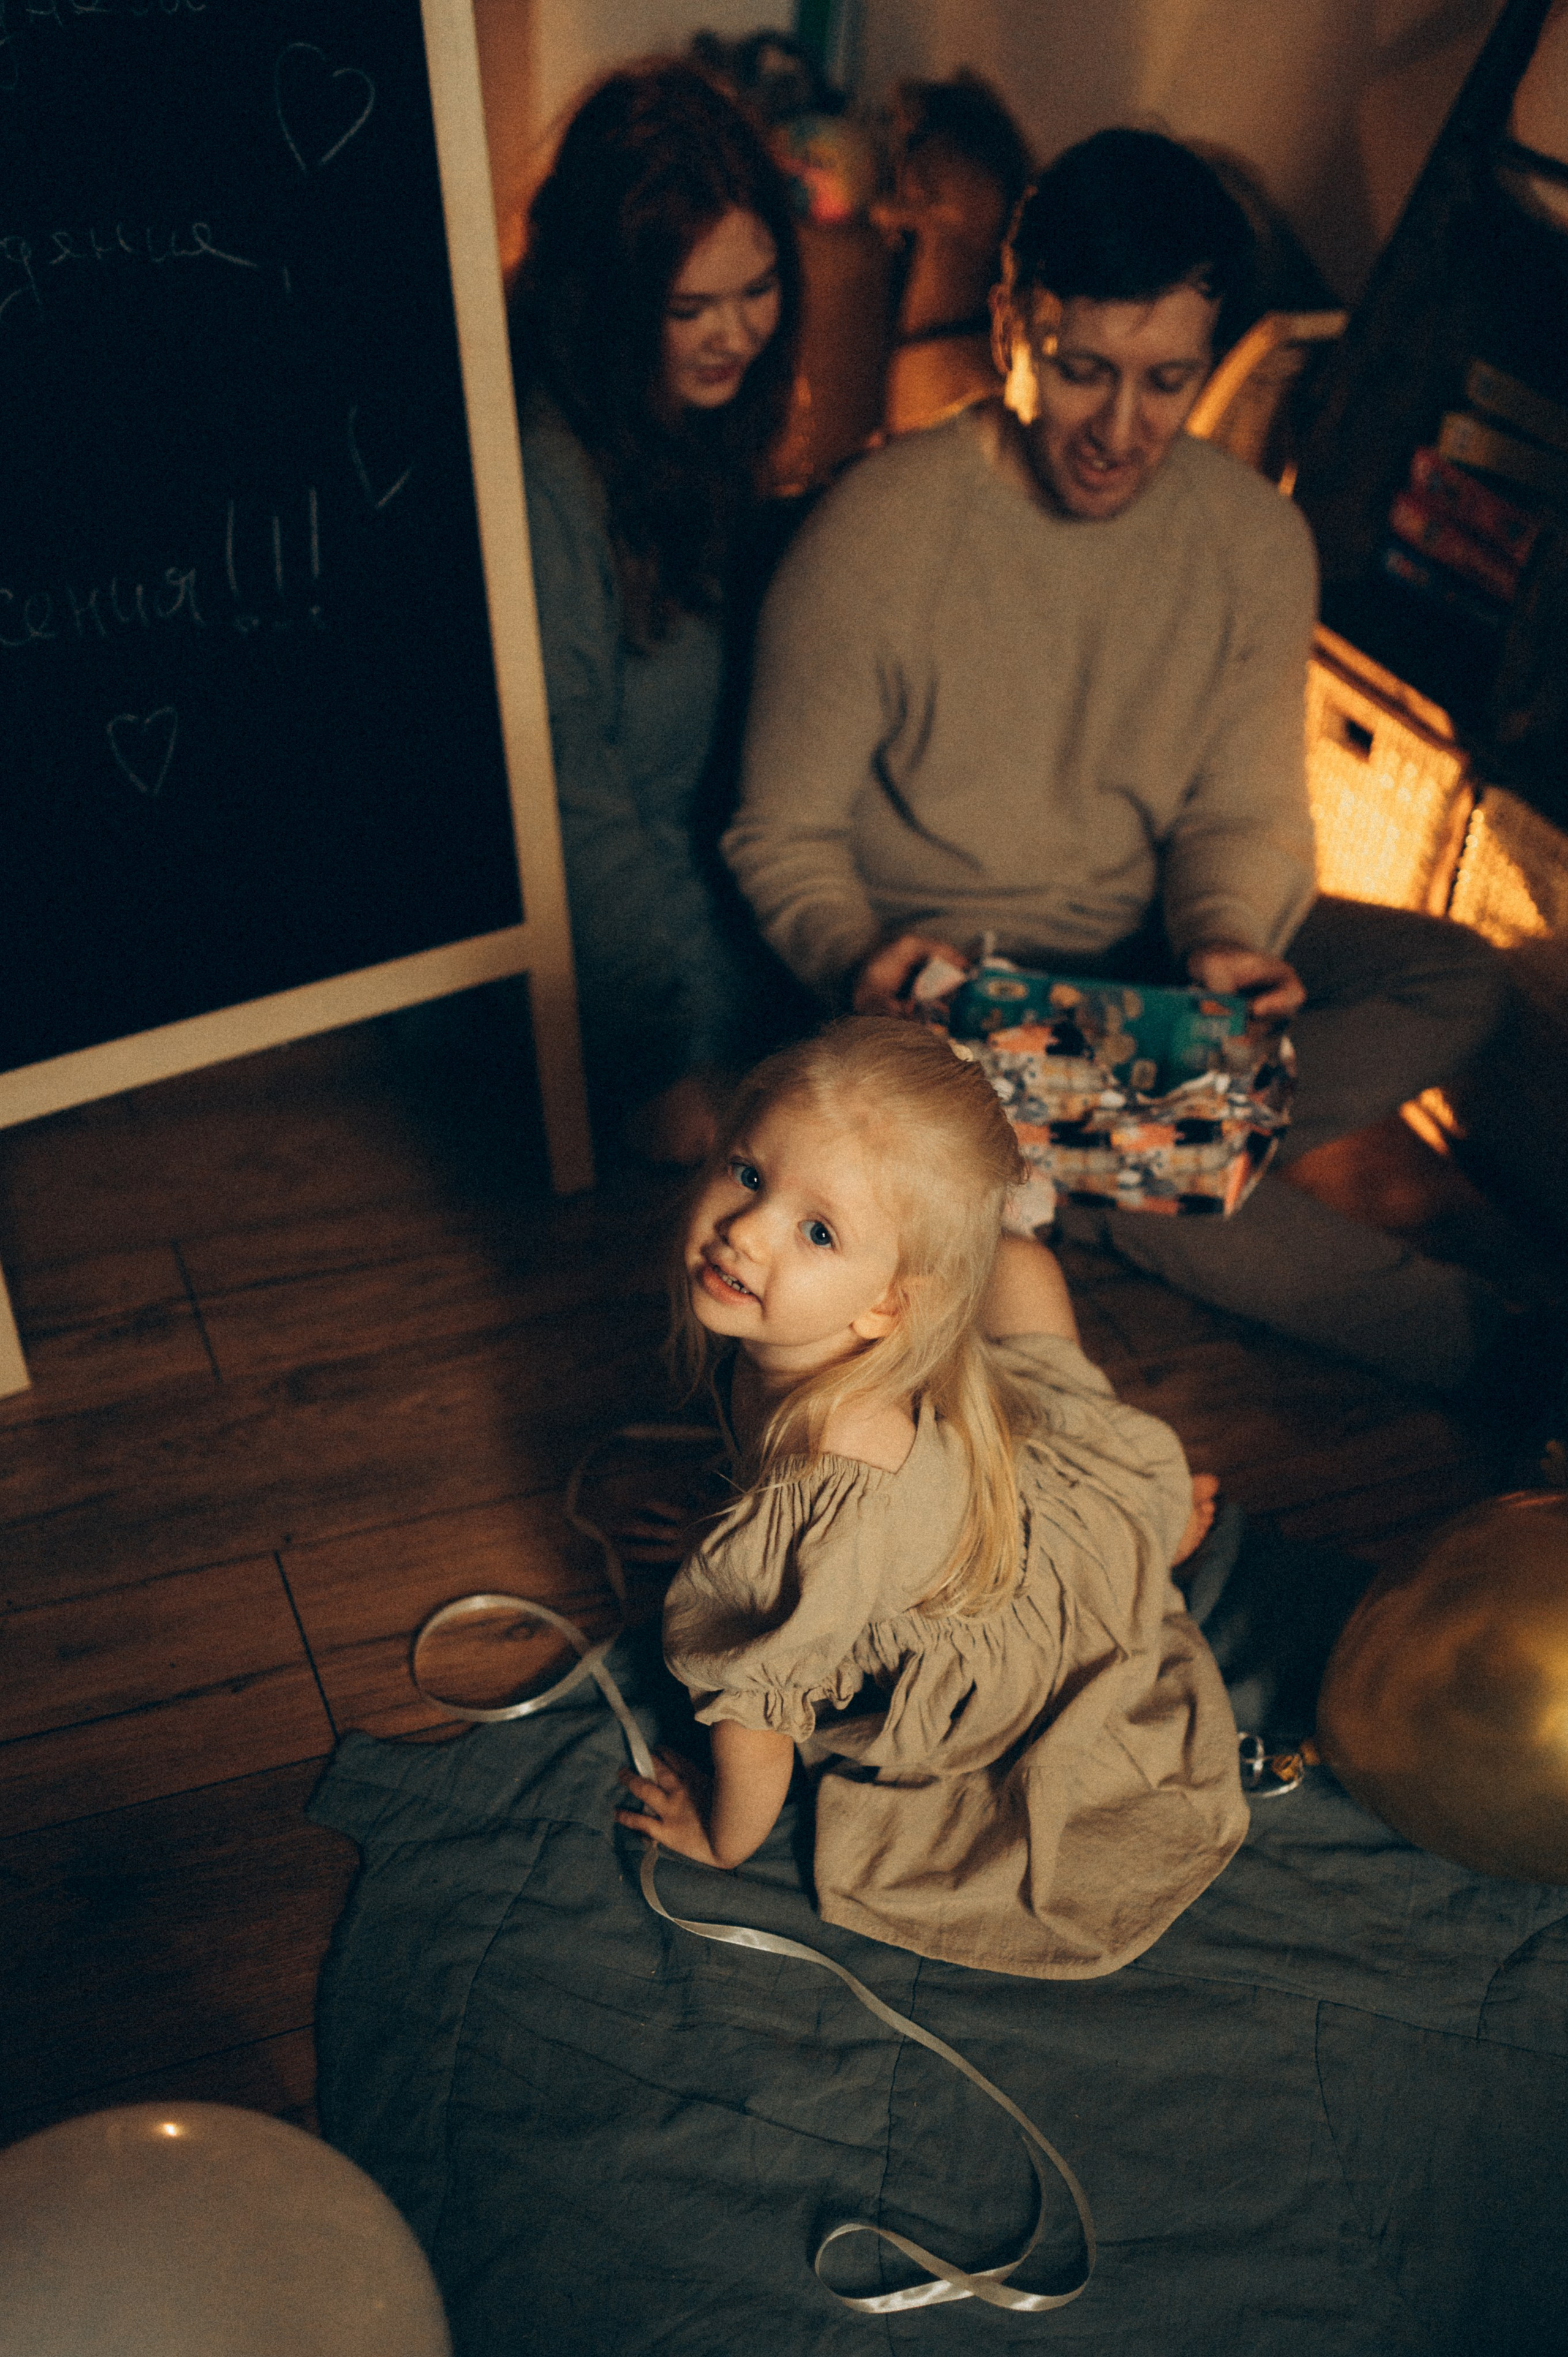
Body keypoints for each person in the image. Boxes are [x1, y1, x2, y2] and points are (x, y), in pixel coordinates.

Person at [721, 127, 1510, 1392]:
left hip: (1151, 981)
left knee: (1457, 980)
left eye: (1166, 382)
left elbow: (1243, 809)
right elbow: (781, 832)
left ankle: (1057, 1164)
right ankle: (1498, 1348)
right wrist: (858, 953)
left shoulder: (1252, 542)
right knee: (1165, 1156)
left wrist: (1227, 937)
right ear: (1009, 330)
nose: (1120, 429)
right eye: (1082, 371)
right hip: (947, 1007)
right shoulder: (876, 529)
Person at [615, 1019, 1243, 1981]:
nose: (747, 1231)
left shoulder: (828, 1476)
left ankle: (1144, 1528)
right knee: (1022, 1268)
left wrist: (722, 1838)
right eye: (748, 1174)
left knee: (1094, 1494)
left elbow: (756, 1724)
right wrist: (725, 1522)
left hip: (1015, 1625)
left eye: (818, 1231)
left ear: (885, 1307)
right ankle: (1142, 1515)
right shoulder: (818, 1346)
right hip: (988, 1507)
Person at [509, 61, 804, 1163]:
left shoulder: (692, 427)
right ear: (611, 303)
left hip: (703, 919)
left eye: (758, 290)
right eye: (690, 308)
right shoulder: (551, 476)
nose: (735, 334)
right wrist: (659, 1060)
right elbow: (568, 794)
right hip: (616, 985)